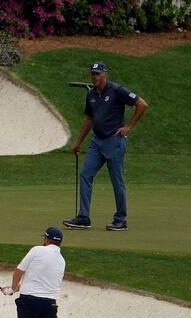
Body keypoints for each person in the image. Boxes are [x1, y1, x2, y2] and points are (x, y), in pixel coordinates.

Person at [63, 62, 148, 231]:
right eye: (93, 74)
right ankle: (84, 217)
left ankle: (121, 219)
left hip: (114, 141)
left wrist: (128, 127)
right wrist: (78, 142)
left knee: (117, 181)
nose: (95, 77)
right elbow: (89, 119)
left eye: (98, 74)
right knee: (85, 175)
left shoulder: (117, 90)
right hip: (97, 142)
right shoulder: (91, 95)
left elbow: (142, 104)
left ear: (105, 75)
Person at [2, 227, 70, 318]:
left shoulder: (37, 250)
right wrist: (14, 290)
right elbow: (36, 282)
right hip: (49, 305)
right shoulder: (61, 260)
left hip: (28, 303)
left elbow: (19, 271)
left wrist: (11, 288)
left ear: (46, 239)